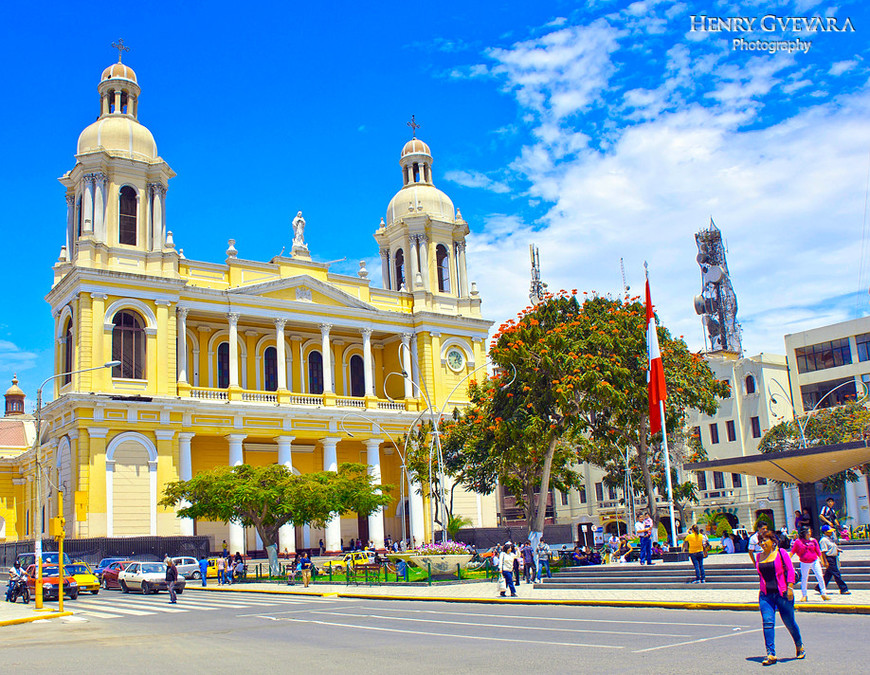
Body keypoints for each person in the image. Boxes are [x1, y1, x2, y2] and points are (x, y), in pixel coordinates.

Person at [755, 529, 804, 665]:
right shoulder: (759, 557)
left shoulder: (781, 553)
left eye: (765, 540)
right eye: (760, 541)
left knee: (789, 622)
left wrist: (789, 588)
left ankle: (799, 645)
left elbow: (790, 571)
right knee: (768, 622)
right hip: (766, 595)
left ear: (773, 541)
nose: (762, 543)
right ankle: (771, 654)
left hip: (782, 593)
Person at [790, 525, 830, 601]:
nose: (809, 533)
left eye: (810, 532)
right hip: (804, 562)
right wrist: (787, 561)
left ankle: (824, 593)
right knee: (804, 578)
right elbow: (792, 552)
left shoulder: (813, 540)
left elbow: (818, 551)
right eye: (807, 532)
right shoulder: (798, 542)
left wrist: (822, 561)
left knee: (820, 576)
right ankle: (804, 595)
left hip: (814, 560)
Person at [818, 525, 850, 595]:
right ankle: (843, 588)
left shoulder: (830, 539)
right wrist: (824, 561)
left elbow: (832, 547)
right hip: (829, 558)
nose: (831, 533)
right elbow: (823, 552)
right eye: (829, 532)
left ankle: (819, 587)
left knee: (828, 575)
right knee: (836, 574)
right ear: (825, 532)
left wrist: (837, 550)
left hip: (834, 557)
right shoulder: (823, 540)